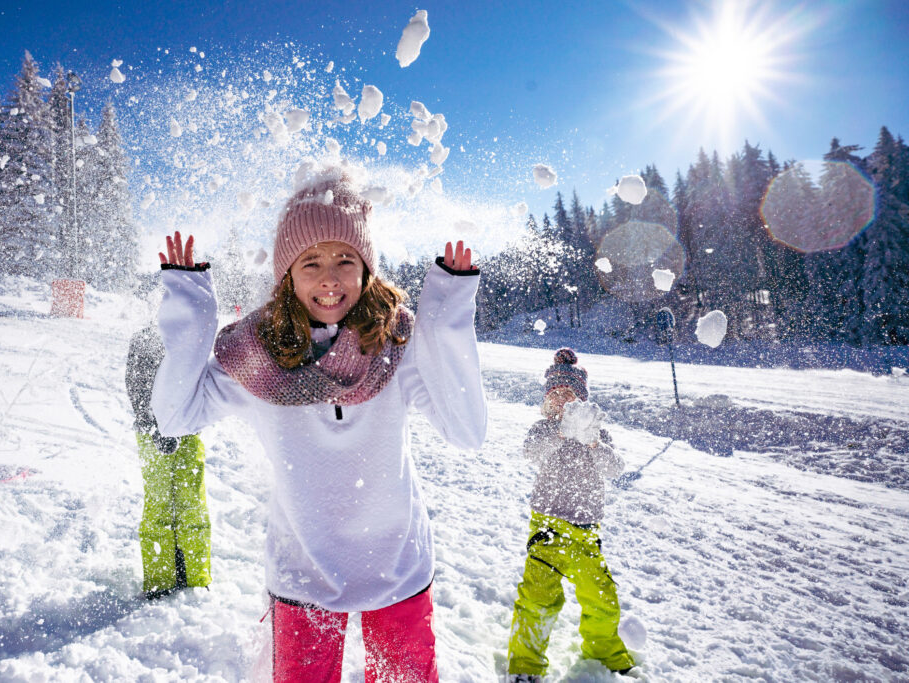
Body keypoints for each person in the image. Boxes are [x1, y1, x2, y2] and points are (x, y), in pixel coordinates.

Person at [151, 168, 486, 681]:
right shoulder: (255, 354)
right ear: (287, 274)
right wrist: (189, 306)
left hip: (396, 565)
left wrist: (449, 311)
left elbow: (467, 430)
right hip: (303, 571)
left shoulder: (398, 343)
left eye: (344, 260)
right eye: (311, 262)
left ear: (366, 269)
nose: (329, 277)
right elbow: (175, 415)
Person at [506, 348, 635, 680]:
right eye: (557, 395)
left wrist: (593, 443)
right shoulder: (543, 430)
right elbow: (530, 452)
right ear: (548, 401)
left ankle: (604, 652)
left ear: (582, 401)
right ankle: (526, 664)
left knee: (601, 597)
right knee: (537, 599)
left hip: (585, 531)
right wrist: (560, 433)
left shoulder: (597, 436)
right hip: (547, 527)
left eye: (570, 395)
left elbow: (615, 467)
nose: (563, 401)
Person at [126, 320, 212, 599]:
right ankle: (160, 579)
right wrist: (155, 426)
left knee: (192, 503)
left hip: (188, 431)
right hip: (153, 435)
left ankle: (195, 576)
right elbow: (137, 386)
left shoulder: (192, 336)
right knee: (159, 504)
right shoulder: (146, 339)